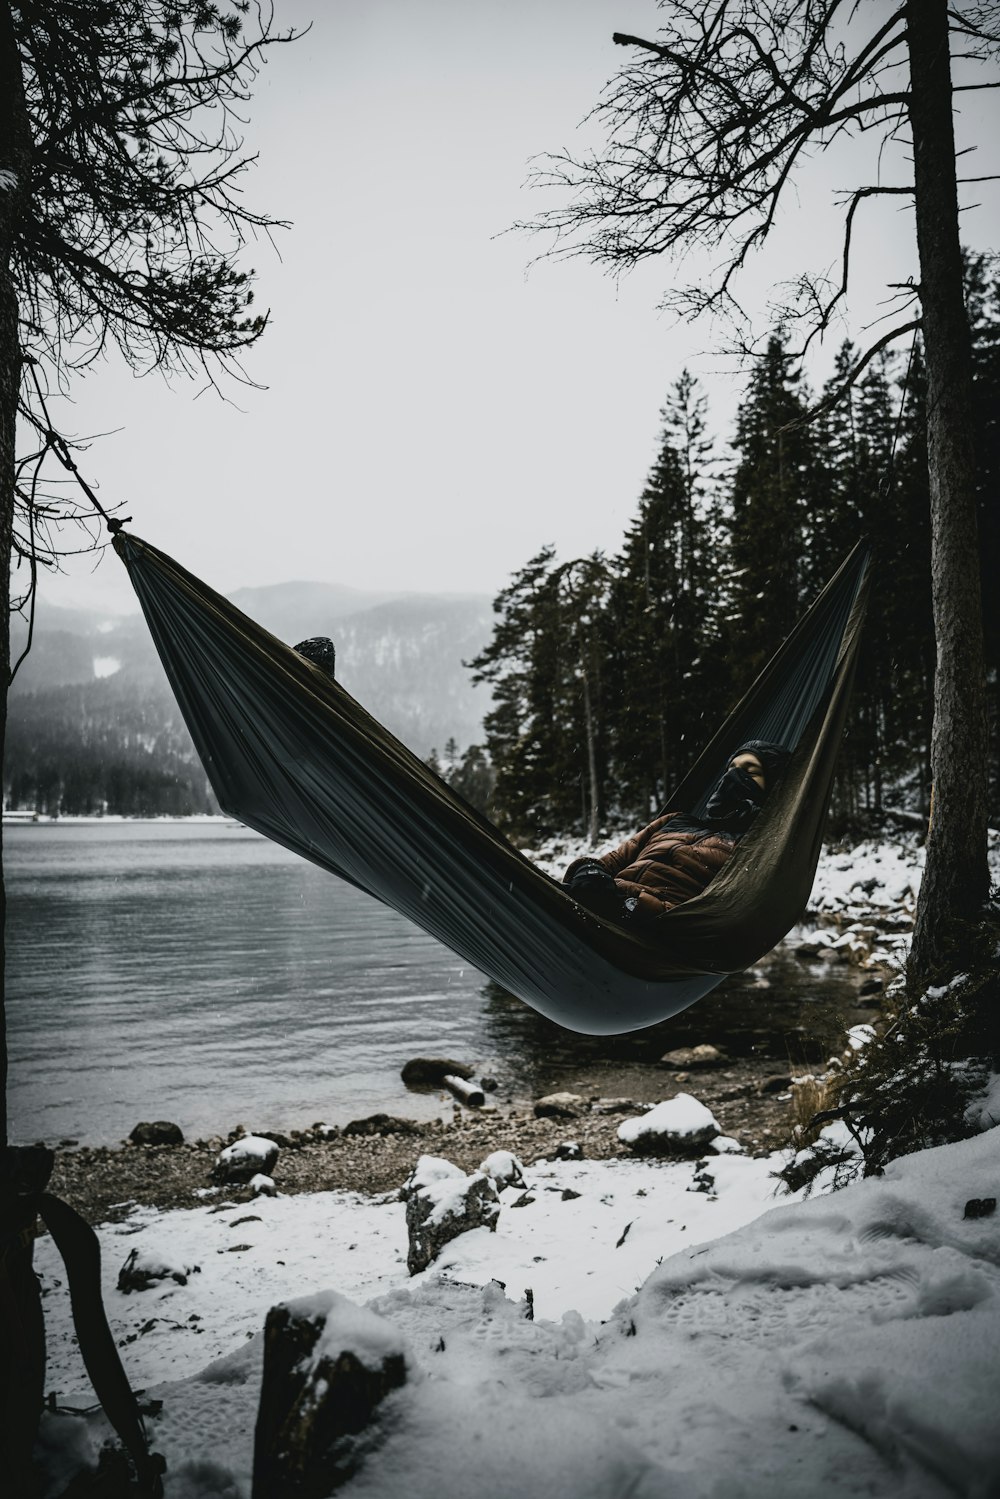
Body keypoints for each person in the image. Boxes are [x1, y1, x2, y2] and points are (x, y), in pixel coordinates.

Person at [562, 740, 790, 927]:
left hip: (644, 931)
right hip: (599, 906)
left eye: (750, 772)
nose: (733, 777)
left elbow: (716, 917)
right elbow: (612, 862)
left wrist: (632, 906)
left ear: (772, 787)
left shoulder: (757, 848)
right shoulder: (676, 820)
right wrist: (587, 871)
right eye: (731, 769)